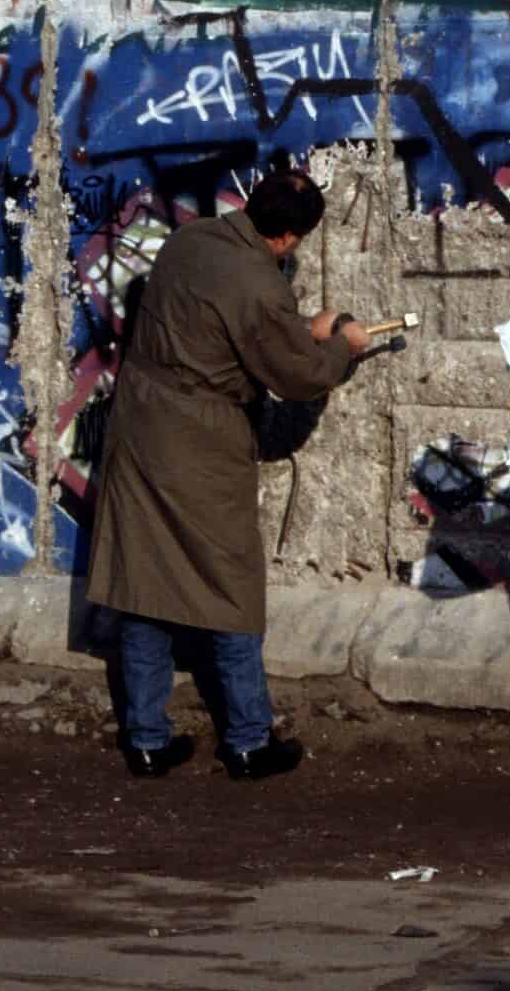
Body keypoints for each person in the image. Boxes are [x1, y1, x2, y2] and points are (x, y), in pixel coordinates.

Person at [86, 167, 371, 781]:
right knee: (230, 585)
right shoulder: (260, 285)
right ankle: (247, 738)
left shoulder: (192, 239)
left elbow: (217, 330)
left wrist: (300, 332)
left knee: (145, 583)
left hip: (140, 425)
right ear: (289, 238)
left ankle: (145, 737)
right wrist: (342, 344)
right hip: (201, 440)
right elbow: (297, 377)